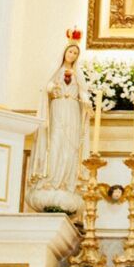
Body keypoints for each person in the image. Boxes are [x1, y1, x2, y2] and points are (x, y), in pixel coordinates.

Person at [26, 33, 91, 211]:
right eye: (70, 52)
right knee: (55, 142)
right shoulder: (55, 71)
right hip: (58, 108)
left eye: (75, 53)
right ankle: (51, 179)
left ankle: (65, 182)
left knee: (70, 147)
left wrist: (85, 99)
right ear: (64, 53)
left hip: (72, 111)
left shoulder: (78, 74)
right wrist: (51, 88)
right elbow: (46, 87)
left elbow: (83, 91)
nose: (72, 55)